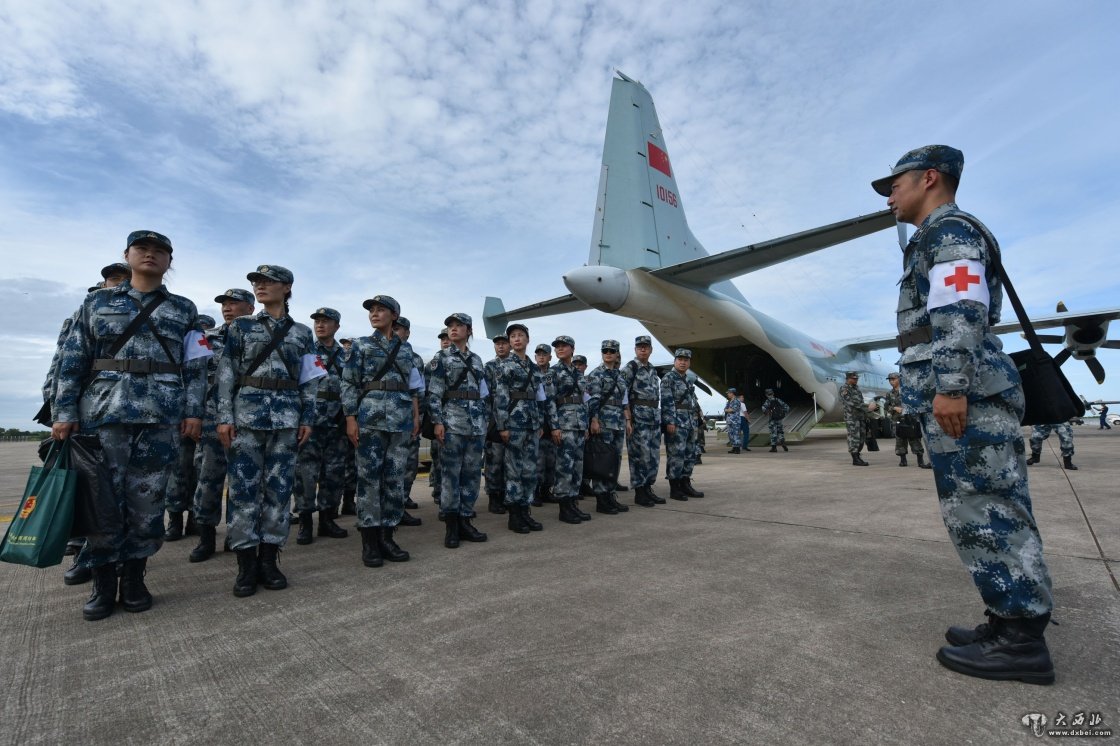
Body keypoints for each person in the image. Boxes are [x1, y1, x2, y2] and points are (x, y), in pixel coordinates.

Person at [875, 144, 1055, 683]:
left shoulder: (949, 233)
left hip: (967, 395)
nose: (890, 195)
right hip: (964, 393)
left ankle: (1021, 642)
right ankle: (1006, 619)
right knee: (977, 508)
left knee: (988, 507)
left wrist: (951, 386)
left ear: (929, 178)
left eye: (895, 184)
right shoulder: (935, 235)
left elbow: (960, 309)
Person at [53, 231, 210, 621]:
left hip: (160, 416)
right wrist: (63, 411)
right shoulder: (97, 302)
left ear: (169, 262)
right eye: (142, 249)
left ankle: (136, 579)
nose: (150, 255)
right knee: (101, 502)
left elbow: (195, 366)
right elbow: (73, 359)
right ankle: (104, 583)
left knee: (148, 503)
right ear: (127, 255)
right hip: (104, 413)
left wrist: (194, 412)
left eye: (159, 252)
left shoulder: (184, 309)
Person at [217, 264, 325, 597]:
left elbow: (310, 379)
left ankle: (269, 559)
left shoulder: (302, 333)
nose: (259, 286)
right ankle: (245, 564)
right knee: (243, 491)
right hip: (246, 418)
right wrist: (224, 416)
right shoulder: (241, 326)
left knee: (279, 492)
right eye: (256, 282)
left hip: (287, 420)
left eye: (268, 281)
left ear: (287, 287)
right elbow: (226, 373)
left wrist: (308, 417)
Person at [341, 295, 423, 567]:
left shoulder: (407, 350)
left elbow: (414, 388)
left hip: (400, 420)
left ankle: (388, 537)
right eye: (372, 311)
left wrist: (415, 417)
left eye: (381, 310)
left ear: (394, 316)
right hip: (370, 419)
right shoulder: (361, 345)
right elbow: (349, 383)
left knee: (394, 479)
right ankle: (370, 541)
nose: (374, 314)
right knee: (369, 480)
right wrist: (350, 418)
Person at [189, 287, 255, 563]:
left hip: (248, 418)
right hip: (211, 419)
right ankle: (205, 537)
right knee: (208, 479)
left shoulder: (258, 338)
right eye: (224, 304)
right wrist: (191, 414)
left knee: (244, 480)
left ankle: (236, 534)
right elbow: (193, 376)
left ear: (250, 308)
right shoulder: (205, 338)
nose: (227, 308)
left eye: (234, 303)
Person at [427, 313, 489, 547]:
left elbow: (484, 394)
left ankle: (466, 520)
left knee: (472, 475)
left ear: (469, 331)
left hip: (476, 426)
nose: (453, 329)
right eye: (450, 326)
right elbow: (434, 393)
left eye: (458, 326)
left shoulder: (477, 360)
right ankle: (451, 526)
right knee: (451, 476)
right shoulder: (441, 357)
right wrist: (438, 422)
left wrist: (485, 420)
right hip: (452, 423)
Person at [293, 307, 350, 544]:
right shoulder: (305, 351)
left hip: (337, 423)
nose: (320, 325)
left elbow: (352, 387)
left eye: (326, 321)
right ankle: (305, 521)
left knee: (334, 473)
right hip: (310, 423)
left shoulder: (347, 356)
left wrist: (348, 416)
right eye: (317, 321)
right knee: (305, 474)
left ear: (337, 326)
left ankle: (327, 519)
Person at [492, 323, 554, 533]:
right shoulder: (504, 365)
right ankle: (514, 515)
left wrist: (540, 423)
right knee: (513, 470)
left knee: (530, 471)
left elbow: (540, 398)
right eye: (513, 336)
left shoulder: (535, 369)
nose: (516, 339)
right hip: (514, 424)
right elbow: (500, 397)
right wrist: (502, 426)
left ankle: (525, 510)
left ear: (527, 340)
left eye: (520, 335)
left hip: (532, 425)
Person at [550, 336, 595, 523]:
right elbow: (549, 402)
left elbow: (584, 400)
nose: (560, 349)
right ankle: (564, 508)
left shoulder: (578, 373)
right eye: (557, 347)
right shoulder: (553, 372)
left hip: (579, 426)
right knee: (564, 467)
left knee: (577, 466)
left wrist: (586, 425)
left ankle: (573, 503)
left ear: (572, 349)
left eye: (564, 346)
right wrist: (554, 427)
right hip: (564, 425)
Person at [586, 340, 630, 515]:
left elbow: (624, 401)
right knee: (602, 461)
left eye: (612, 351)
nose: (608, 353)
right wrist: (594, 420)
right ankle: (601, 499)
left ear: (617, 353)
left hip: (618, 423)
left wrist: (628, 421)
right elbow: (593, 400)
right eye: (605, 351)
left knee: (614, 460)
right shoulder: (596, 374)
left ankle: (610, 495)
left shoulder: (620, 376)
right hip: (603, 423)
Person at [621, 335, 665, 507]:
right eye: (639, 347)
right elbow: (623, 394)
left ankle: (648, 488)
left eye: (646, 346)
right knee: (640, 456)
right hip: (638, 419)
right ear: (635, 349)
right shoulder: (630, 368)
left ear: (651, 350)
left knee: (653, 456)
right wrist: (628, 418)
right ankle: (640, 492)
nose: (643, 349)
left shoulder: (652, 369)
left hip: (653, 418)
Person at [392, 317, 424, 525]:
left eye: (399, 329)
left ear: (407, 333)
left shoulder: (415, 359)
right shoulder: (376, 350)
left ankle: (401, 504)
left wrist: (417, 417)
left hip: (409, 417)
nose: (395, 332)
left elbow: (417, 391)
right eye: (393, 328)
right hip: (383, 418)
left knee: (409, 464)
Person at [661, 349, 703, 501]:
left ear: (689, 363)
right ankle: (675, 488)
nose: (683, 362)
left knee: (689, 455)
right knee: (676, 455)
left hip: (690, 422)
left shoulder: (687, 380)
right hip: (677, 422)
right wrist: (670, 421)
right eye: (680, 359)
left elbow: (692, 402)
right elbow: (666, 402)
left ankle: (686, 483)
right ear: (675, 361)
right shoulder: (668, 378)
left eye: (686, 360)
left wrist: (697, 419)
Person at [483, 332, 512, 515]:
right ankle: (494, 497)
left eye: (504, 343)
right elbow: (484, 396)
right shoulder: (489, 367)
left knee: (511, 462)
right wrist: (488, 421)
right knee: (494, 461)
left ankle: (509, 495)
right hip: (494, 419)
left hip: (515, 418)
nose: (500, 346)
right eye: (497, 343)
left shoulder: (516, 365)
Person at [426, 328, 452, 506]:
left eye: (447, 338)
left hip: (456, 418)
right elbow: (426, 391)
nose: (445, 341)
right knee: (438, 459)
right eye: (442, 339)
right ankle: (438, 491)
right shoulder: (433, 364)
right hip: (438, 416)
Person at [884, 371, 931, 469]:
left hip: (910, 418)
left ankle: (920, 460)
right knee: (900, 440)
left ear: (899, 379)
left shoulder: (908, 391)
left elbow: (916, 403)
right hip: (897, 419)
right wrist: (894, 408)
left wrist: (907, 409)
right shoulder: (889, 394)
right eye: (890, 380)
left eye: (893, 379)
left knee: (914, 439)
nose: (891, 382)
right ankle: (903, 460)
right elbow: (886, 406)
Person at [533, 343, 559, 506]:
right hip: (538, 423)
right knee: (538, 461)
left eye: (544, 354)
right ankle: (535, 491)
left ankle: (546, 490)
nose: (541, 357)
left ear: (550, 357)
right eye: (539, 354)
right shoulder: (531, 372)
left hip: (553, 423)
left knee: (551, 460)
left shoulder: (555, 374)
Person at [839, 372, 871, 466]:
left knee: (861, 437)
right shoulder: (844, 389)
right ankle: (855, 458)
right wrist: (867, 407)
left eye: (857, 378)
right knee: (854, 437)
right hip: (852, 418)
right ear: (848, 378)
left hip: (860, 417)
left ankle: (858, 455)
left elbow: (860, 401)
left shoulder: (856, 389)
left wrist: (865, 414)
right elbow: (851, 403)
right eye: (854, 378)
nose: (856, 380)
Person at [760, 389, 789, 453]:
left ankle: (774, 448)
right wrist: (782, 413)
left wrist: (768, 413)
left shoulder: (768, 401)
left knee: (773, 432)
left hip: (772, 419)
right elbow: (787, 407)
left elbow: (763, 408)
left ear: (766, 395)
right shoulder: (778, 400)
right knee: (780, 431)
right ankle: (783, 442)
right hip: (779, 419)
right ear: (773, 393)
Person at [724, 388, 744, 454]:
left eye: (728, 393)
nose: (727, 394)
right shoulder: (729, 401)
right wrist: (728, 410)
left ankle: (737, 449)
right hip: (730, 421)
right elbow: (725, 409)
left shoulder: (736, 401)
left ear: (732, 393)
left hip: (735, 421)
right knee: (730, 434)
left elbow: (732, 410)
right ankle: (734, 447)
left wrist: (728, 410)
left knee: (736, 434)